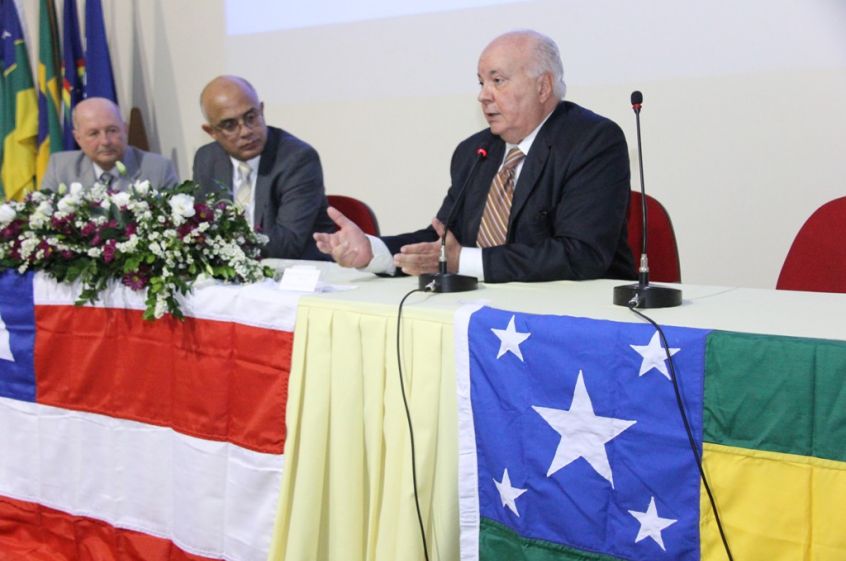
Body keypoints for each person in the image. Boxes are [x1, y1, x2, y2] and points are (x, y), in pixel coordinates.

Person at [314, 30, 635, 283]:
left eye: (498, 81)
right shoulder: (476, 151)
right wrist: (375, 251)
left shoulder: (592, 141)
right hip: (489, 311)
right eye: (481, 82)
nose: (483, 95)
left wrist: (460, 262)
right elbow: (444, 237)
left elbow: (581, 254)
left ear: (543, 86)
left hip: (580, 316)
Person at [193, 75, 334, 260]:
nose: (246, 131)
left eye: (251, 117)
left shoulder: (297, 159)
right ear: (211, 132)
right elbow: (200, 227)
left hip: (298, 273)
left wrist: (218, 246)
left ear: (262, 110)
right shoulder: (207, 159)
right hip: (233, 279)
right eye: (230, 125)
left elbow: (286, 245)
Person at [41, 97, 179, 192]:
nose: (105, 141)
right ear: (78, 138)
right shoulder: (59, 168)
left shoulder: (159, 168)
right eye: (94, 133)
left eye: (112, 130)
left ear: (125, 130)